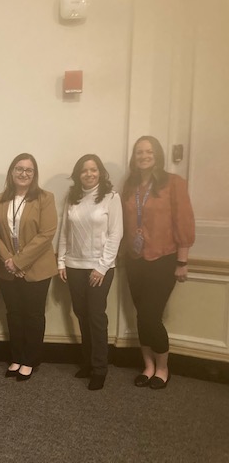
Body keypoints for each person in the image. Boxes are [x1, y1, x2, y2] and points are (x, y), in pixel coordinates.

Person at [122, 136, 195, 390]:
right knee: (141, 315)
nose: (144, 155)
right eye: (139, 152)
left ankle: (163, 367)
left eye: (149, 151)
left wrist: (182, 261)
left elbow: (183, 221)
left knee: (151, 316)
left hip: (163, 259)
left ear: (158, 155)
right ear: (134, 157)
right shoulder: (130, 186)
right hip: (135, 260)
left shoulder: (174, 183)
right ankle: (148, 365)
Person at [57, 154, 123, 390]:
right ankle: (87, 361)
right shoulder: (72, 197)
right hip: (74, 266)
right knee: (82, 315)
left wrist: (102, 266)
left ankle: (99, 368)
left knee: (96, 317)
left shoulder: (110, 197)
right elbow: (65, 231)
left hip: (99, 269)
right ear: (78, 174)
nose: (89, 174)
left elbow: (116, 234)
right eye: (84, 170)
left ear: (100, 172)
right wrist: (61, 262)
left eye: (93, 170)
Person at [0, 153, 57, 381]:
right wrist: (9, 260)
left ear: (34, 174)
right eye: (19, 168)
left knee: (33, 315)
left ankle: (30, 360)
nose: (23, 173)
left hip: (37, 269)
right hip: (7, 269)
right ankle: (17, 357)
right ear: (12, 172)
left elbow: (47, 233)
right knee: (14, 314)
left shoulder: (45, 198)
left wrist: (19, 261)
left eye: (29, 170)